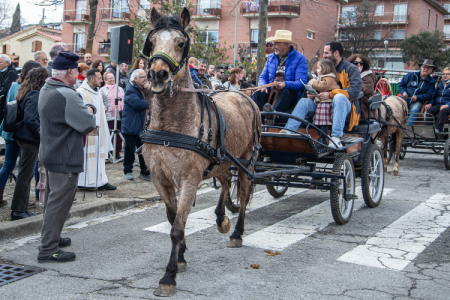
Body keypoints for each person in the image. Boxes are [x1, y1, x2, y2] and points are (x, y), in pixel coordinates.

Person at [38, 52, 96, 263]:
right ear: (70, 72)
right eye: (76, 71)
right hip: (64, 156)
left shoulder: (47, 87)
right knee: (58, 204)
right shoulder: (68, 95)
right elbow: (87, 124)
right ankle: (48, 249)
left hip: (50, 153)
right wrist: (89, 110)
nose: (78, 74)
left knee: (52, 202)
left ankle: (51, 238)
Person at [283, 41, 363, 148]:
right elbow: (319, 87)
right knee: (304, 102)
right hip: (323, 104)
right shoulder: (323, 69)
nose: (323, 56)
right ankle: (288, 132)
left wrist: (330, 94)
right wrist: (314, 94)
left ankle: (336, 137)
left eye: (326, 53)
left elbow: (354, 91)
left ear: (336, 53)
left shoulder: (351, 69)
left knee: (339, 97)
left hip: (344, 106)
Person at [0, 61, 41, 208]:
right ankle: (22, 200)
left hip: (9, 128)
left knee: (8, 164)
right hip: (20, 131)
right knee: (26, 168)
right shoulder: (29, 88)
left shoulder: (13, 85)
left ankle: (2, 195)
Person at [9, 67, 48, 220]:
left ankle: (21, 208)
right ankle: (18, 210)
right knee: (26, 175)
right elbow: (30, 119)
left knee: (26, 174)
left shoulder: (26, 91)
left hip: (24, 136)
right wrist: (41, 134)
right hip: (29, 138)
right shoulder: (35, 93)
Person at [281, 59, 340, 143]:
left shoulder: (330, 78)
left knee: (323, 122)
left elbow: (323, 86)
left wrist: (312, 81)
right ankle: (288, 130)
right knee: (303, 101)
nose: (316, 70)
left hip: (328, 106)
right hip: (320, 103)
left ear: (325, 69)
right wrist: (313, 94)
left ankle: (323, 140)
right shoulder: (323, 78)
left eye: (318, 68)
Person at [77, 69, 116, 191]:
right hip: (89, 131)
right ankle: (86, 182)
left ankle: (101, 180)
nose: (101, 80)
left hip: (100, 129)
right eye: (99, 78)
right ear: (92, 79)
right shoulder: (80, 92)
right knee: (88, 156)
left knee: (99, 155)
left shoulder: (97, 91)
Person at [252, 30, 308, 113]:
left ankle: (273, 116)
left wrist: (285, 84)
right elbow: (263, 77)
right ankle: (259, 120)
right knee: (258, 94)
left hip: (287, 94)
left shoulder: (300, 58)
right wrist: (262, 86)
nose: (273, 47)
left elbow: (301, 83)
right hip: (271, 91)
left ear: (285, 44)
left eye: (275, 44)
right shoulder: (271, 57)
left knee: (286, 92)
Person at [121, 69, 152, 181]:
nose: (145, 79)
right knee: (130, 150)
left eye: (146, 76)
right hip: (131, 126)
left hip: (142, 126)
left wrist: (149, 91)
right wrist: (153, 102)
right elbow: (138, 104)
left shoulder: (144, 89)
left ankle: (144, 172)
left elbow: (149, 98)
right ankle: (127, 171)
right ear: (135, 79)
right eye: (143, 77)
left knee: (144, 151)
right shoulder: (130, 90)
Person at [398, 59, 437, 125]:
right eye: (424, 67)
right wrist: (403, 92)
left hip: (418, 101)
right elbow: (400, 85)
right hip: (405, 99)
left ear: (431, 70)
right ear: (421, 67)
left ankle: (408, 128)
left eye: (428, 68)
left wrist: (418, 97)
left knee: (416, 108)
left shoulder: (432, 81)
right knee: (398, 108)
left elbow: (430, 94)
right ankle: (396, 126)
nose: (426, 69)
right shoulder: (411, 75)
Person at [100, 71, 124, 159]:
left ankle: (117, 152)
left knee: (118, 135)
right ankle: (109, 153)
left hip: (120, 115)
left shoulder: (120, 89)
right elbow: (100, 102)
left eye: (113, 77)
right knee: (110, 135)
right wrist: (104, 109)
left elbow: (123, 100)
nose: (112, 79)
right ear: (105, 80)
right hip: (109, 116)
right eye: (109, 78)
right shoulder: (103, 90)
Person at [348, 54, 376, 119]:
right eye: (356, 63)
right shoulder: (347, 75)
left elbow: (358, 90)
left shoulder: (368, 78)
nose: (359, 65)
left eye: (361, 63)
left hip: (364, 111)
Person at [424, 67, 450, 133]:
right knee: (430, 110)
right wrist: (431, 103)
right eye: (444, 74)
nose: (445, 75)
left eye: (447, 74)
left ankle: (438, 130)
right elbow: (435, 96)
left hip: (448, 106)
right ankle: (427, 130)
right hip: (438, 104)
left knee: (443, 111)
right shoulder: (440, 84)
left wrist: (447, 105)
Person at [0, 55, 19, 124]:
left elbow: (5, 88)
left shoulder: (11, 72)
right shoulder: (2, 71)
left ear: (7, 62)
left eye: (0, 62)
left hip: (4, 102)